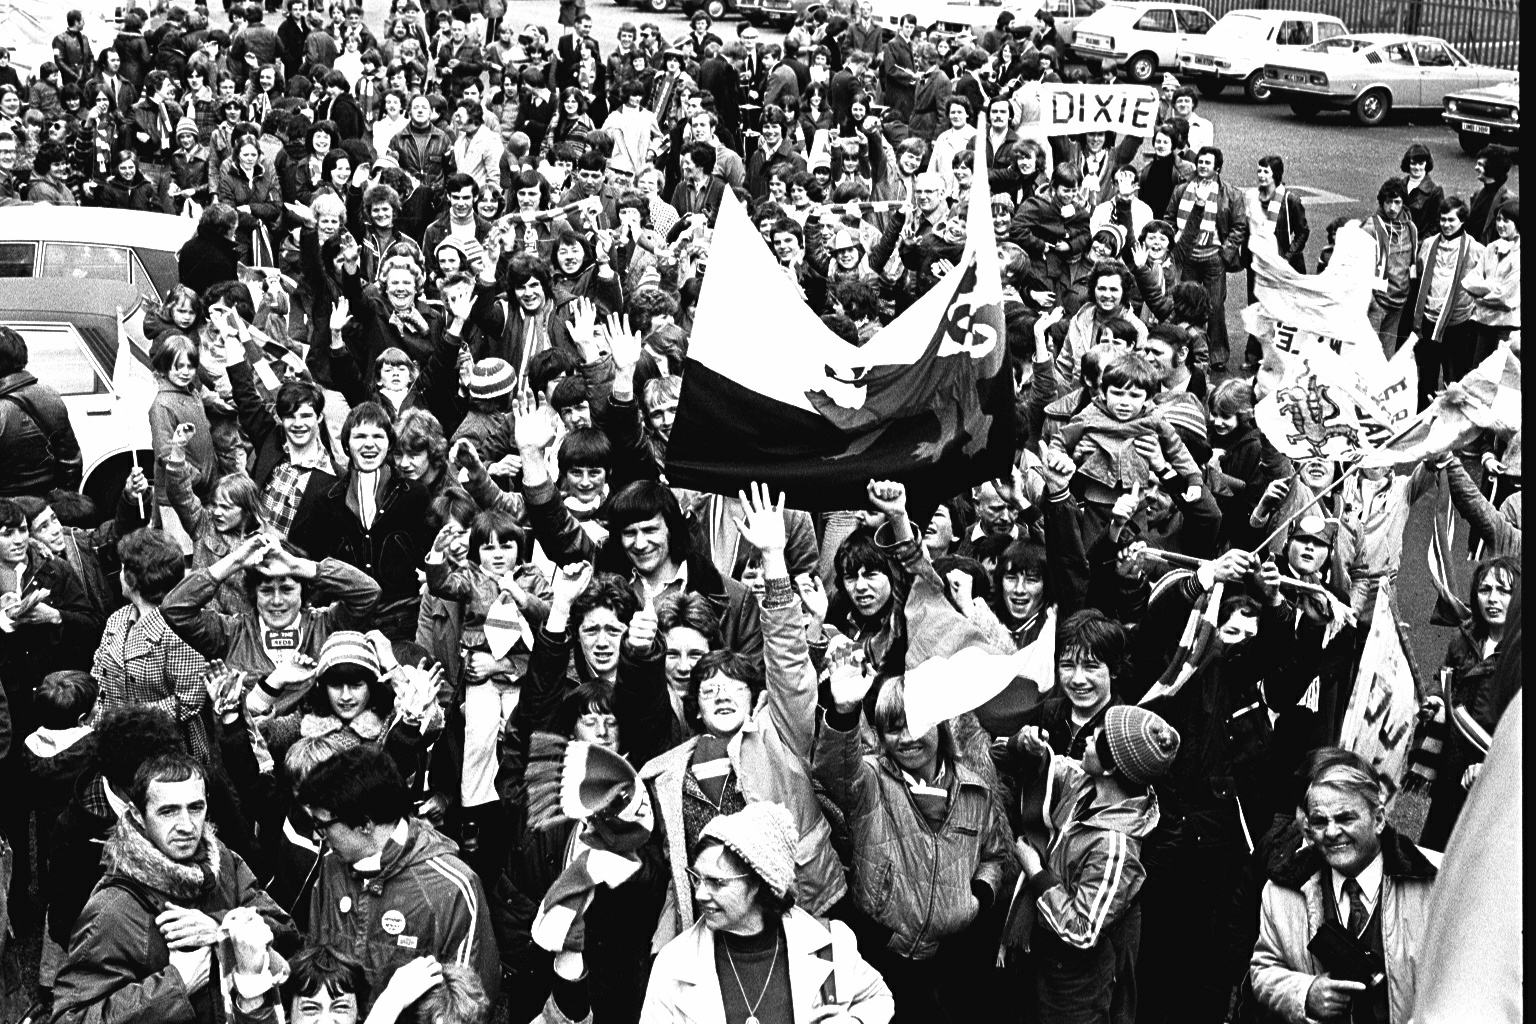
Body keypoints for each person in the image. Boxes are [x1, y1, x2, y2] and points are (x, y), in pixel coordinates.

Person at [51, 753, 296, 1024]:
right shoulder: (112, 910)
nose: (187, 826)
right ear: (137, 816)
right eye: (168, 811)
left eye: (195, 808)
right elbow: (70, 1018)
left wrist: (220, 931)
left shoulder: (225, 864)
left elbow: (286, 935)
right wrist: (173, 987)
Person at [640, 802, 895, 1024]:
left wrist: (855, 1021)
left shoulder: (828, 944)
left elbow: (878, 998)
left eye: (716, 883)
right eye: (697, 878)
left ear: (759, 883)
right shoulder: (674, 963)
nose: (699, 895)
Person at [1008, 704, 1181, 1023]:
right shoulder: (1091, 785)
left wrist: (1036, 872)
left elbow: (1084, 931)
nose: (1089, 736)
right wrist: (1023, 743)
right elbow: (1051, 765)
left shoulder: (1114, 849)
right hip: (1051, 960)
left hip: (1078, 982)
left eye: (1100, 736)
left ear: (1113, 767)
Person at [299, 743, 501, 1008]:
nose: (317, 836)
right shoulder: (330, 868)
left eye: (322, 826)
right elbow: (316, 971)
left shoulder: (452, 888)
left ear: (364, 824)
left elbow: (468, 1006)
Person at [1250, 754, 1438, 1024]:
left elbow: (1460, 982)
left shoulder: (1432, 888)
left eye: (1345, 818)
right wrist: (1305, 994)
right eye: (1319, 821)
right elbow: (1263, 969)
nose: (1331, 832)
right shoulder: (1281, 892)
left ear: (1379, 819)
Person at [1166, 146, 1247, 370]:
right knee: (1187, 306)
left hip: (1214, 257)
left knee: (1215, 307)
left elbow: (1239, 226)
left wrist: (1225, 253)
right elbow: (1169, 219)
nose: (1202, 166)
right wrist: (1176, 244)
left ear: (1217, 168)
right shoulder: (1181, 190)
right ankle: (1189, 352)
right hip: (1188, 257)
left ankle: (1218, 356)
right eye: (1200, 162)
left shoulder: (1232, 193)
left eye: (1207, 163)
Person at [1410, 197, 1484, 409]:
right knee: (1426, 379)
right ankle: (1422, 423)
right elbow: (1420, 273)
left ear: (1462, 221)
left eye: (1451, 220)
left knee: (1454, 380)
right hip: (1429, 320)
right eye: (1442, 219)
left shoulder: (1475, 250)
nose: (1446, 224)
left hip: (1457, 324)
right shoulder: (1428, 244)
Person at [0, 327, 84, 499]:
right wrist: (59, 505)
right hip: (46, 511)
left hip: (8, 515)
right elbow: (72, 462)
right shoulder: (49, 395)